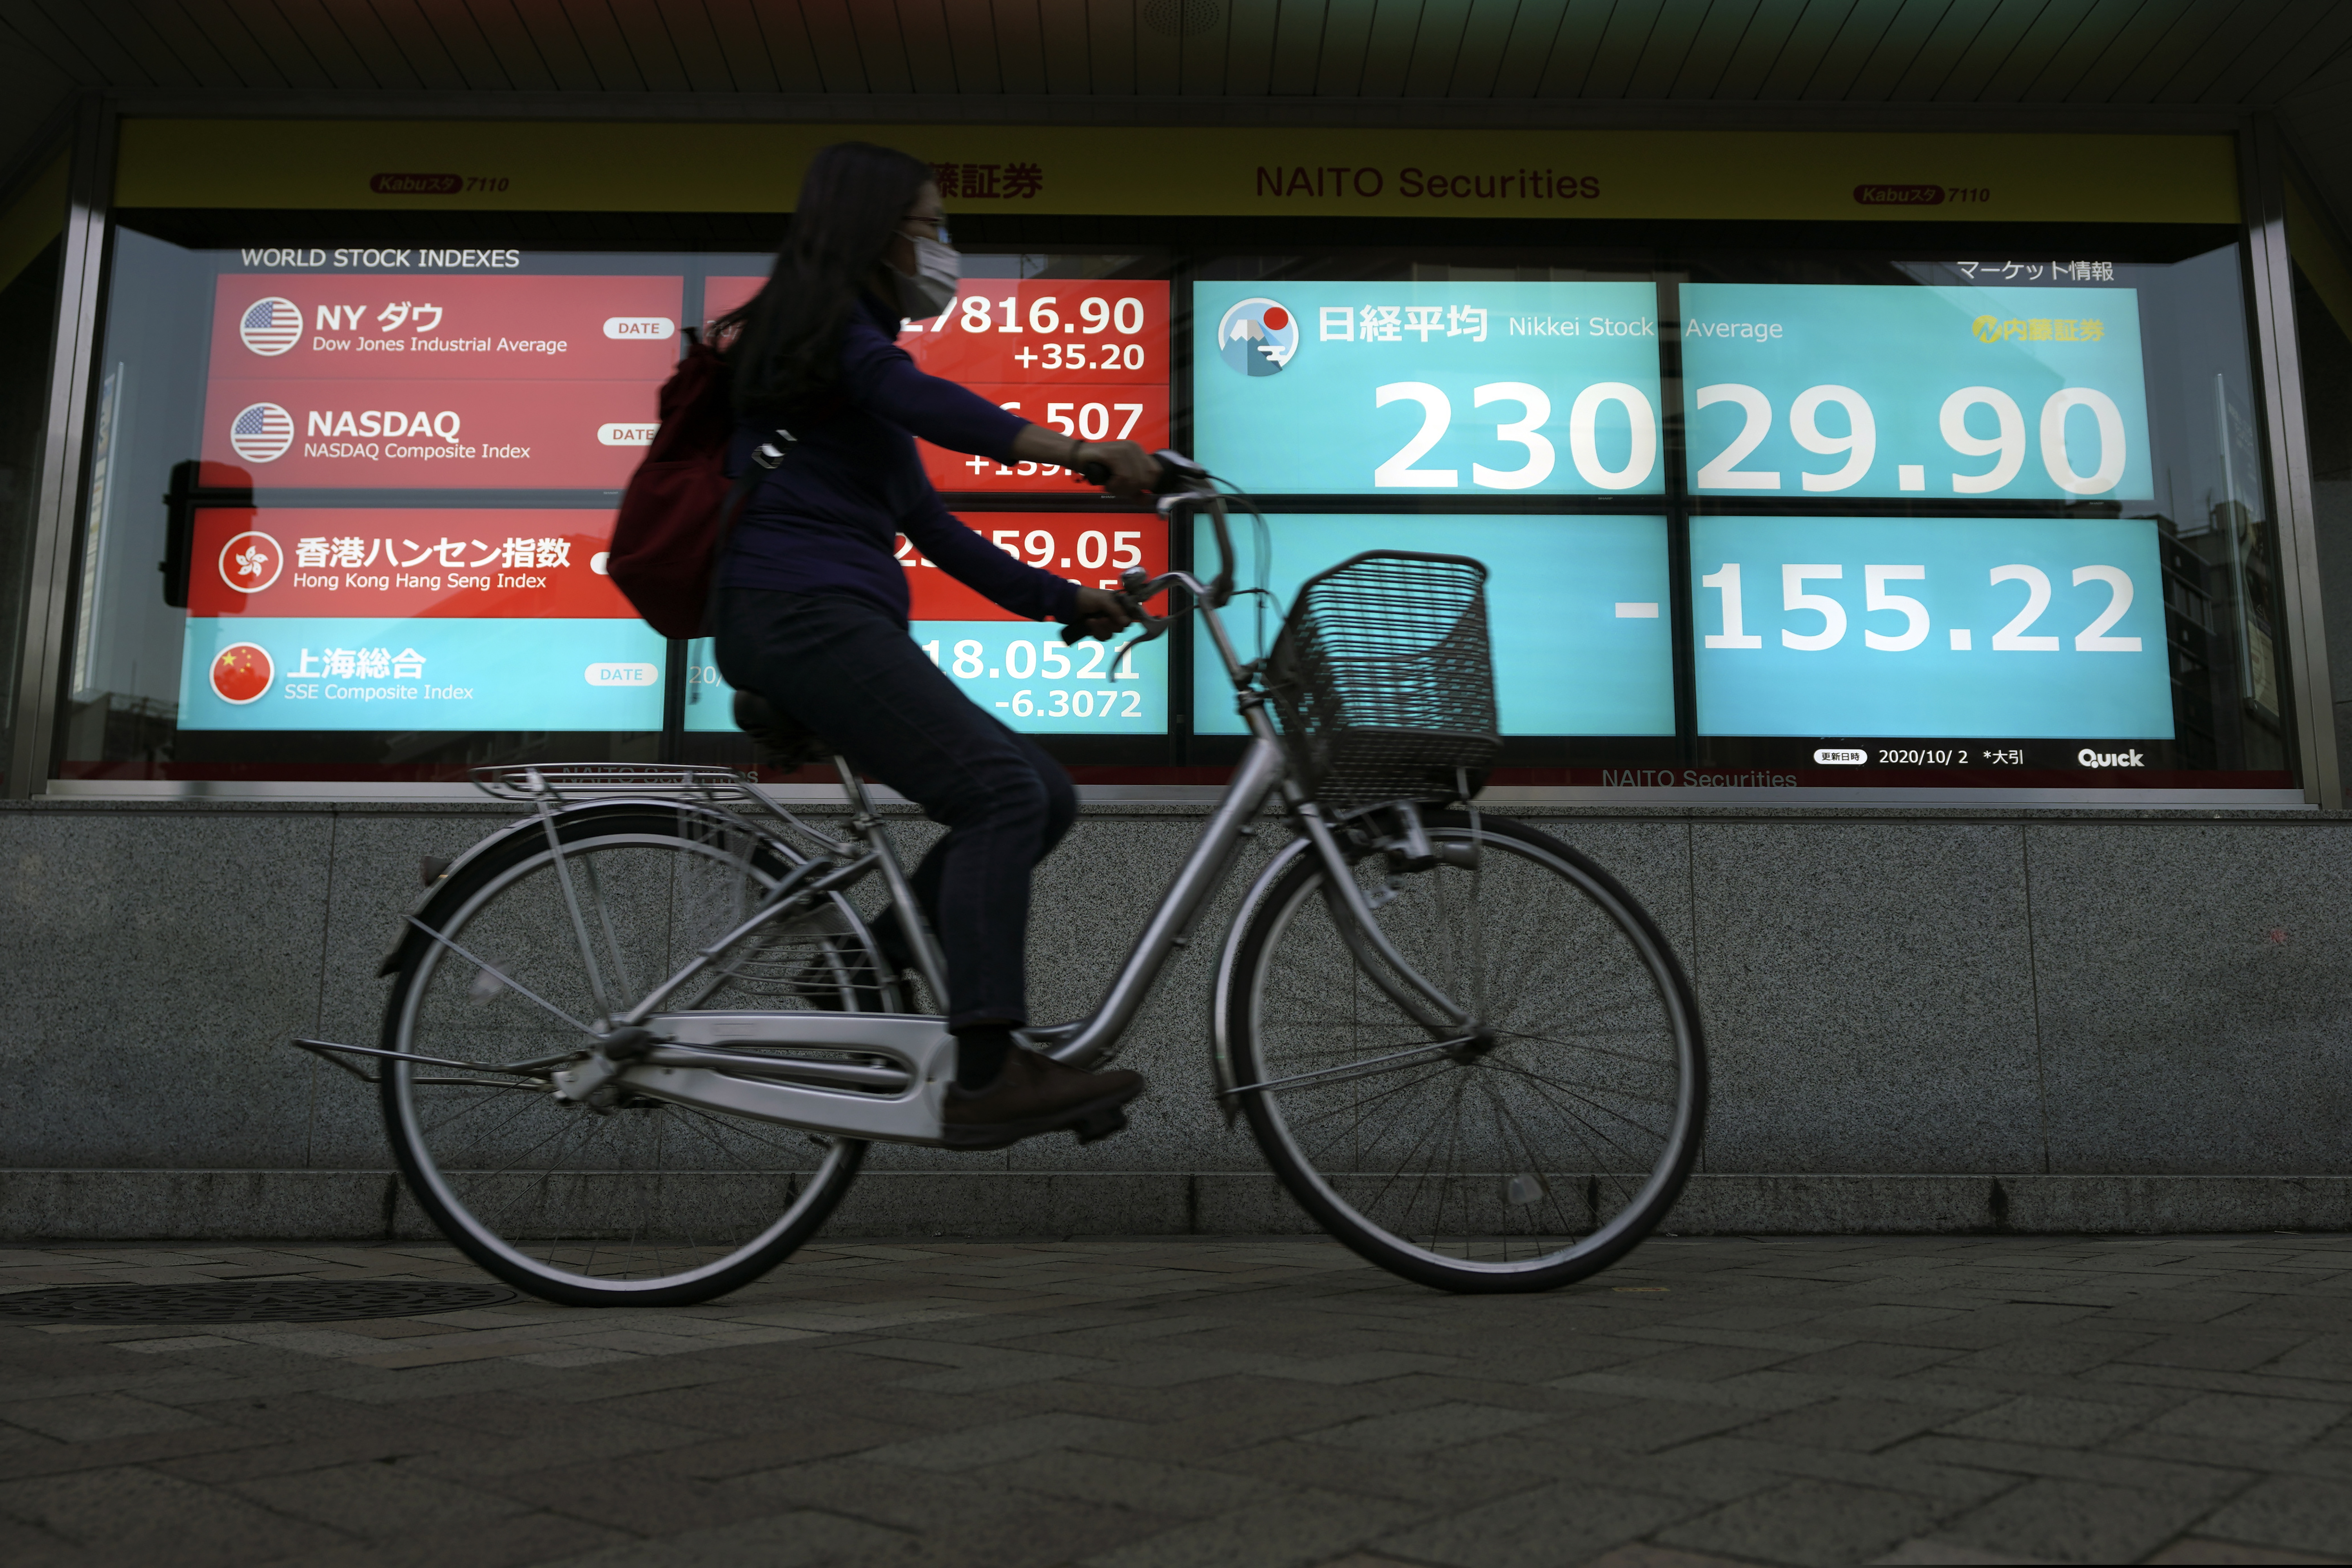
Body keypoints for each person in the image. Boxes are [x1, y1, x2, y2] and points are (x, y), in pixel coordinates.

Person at [711, 141, 1156, 1149]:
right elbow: (923, 400)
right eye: (932, 226)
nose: (945, 248)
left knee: (1040, 792)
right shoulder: (826, 334)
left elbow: (943, 532)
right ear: (877, 234)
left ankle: (857, 968)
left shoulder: (843, 373)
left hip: (820, 615)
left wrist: (1067, 603)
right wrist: (1077, 450)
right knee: (999, 792)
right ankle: (987, 1073)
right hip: (800, 611)